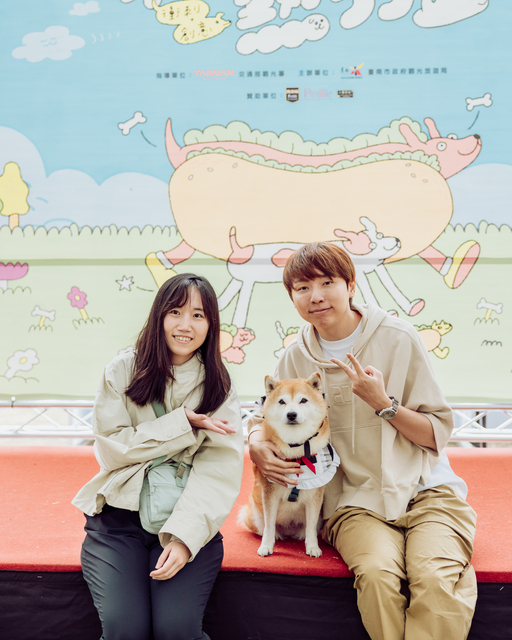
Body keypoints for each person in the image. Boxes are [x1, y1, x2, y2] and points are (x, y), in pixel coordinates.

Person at [248, 242, 477, 640]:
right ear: (292, 296)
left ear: (351, 285)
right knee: (376, 575)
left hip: (428, 491)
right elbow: (261, 418)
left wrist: (384, 404)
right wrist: (255, 442)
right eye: (302, 287)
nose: (316, 296)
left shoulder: (398, 338)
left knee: (434, 578)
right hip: (353, 501)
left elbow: (437, 434)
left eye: (327, 282)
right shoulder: (295, 357)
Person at [73, 273, 245, 640]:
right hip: (117, 523)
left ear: (211, 325)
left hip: (185, 519)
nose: (185, 325)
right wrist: (181, 424)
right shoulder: (122, 370)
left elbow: (219, 472)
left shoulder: (218, 384)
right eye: (175, 312)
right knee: (124, 629)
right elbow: (112, 450)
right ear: (159, 316)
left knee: (176, 630)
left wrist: (184, 538)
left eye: (198, 315)